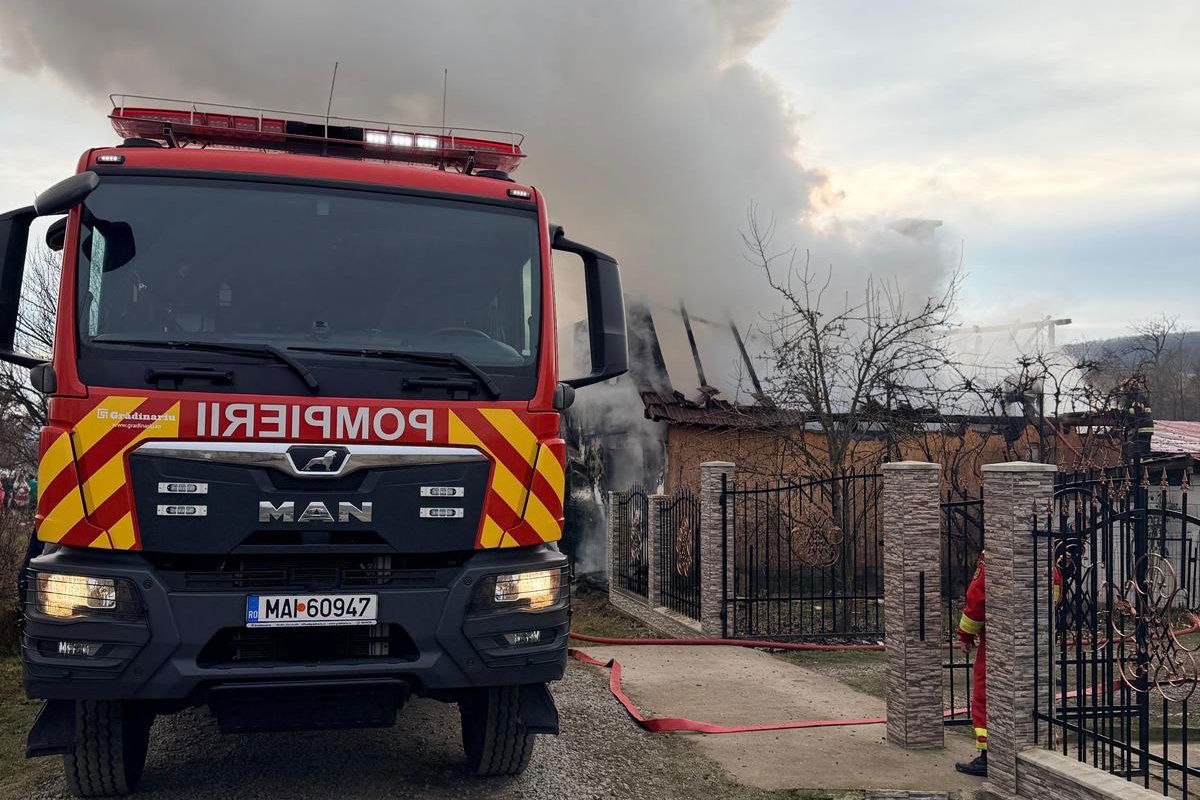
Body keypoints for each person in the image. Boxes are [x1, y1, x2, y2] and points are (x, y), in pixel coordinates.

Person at [955, 552, 989, 776]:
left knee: (985, 694)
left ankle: (988, 756)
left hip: (996, 642)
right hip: (1038, 640)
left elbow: (977, 601)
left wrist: (965, 636)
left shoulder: (991, 559)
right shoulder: (1046, 558)